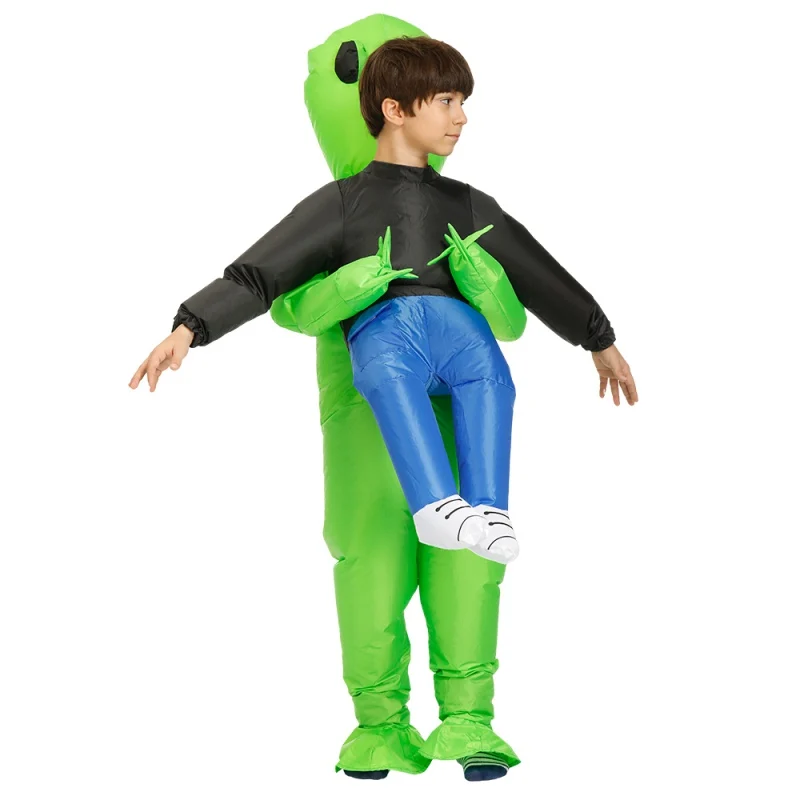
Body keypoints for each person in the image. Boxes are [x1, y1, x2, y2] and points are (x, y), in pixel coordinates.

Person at [129, 13, 638, 781]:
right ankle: (380, 726)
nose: (461, 117)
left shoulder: (467, 204)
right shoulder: (343, 205)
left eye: (462, 101)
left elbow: (536, 271)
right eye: (447, 101)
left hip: (457, 373)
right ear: (393, 107)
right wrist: (191, 325)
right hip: (371, 404)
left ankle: (468, 718)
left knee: (469, 561)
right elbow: (262, 272)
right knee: (370, 557)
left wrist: (596, 335)